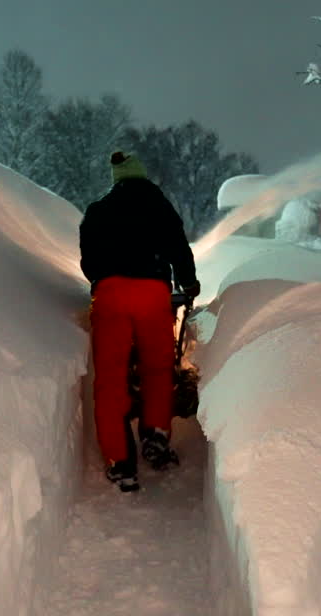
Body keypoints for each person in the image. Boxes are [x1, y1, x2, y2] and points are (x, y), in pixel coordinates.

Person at [80, 151, 200, 492]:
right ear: (142, 176)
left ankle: (120, 463)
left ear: (116, 178)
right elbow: (179, 248)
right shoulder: (159, 205)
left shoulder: (98, 210)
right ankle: (156, 437)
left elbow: (88, 263)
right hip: (153, 295)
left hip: (111, 296)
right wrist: (188, 283)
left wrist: (108, 274)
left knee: (110, 379)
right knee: (159, 369)